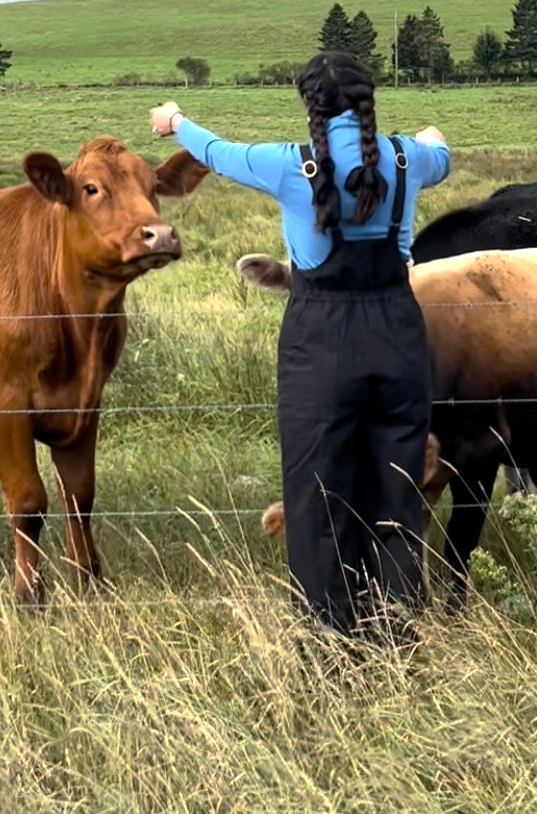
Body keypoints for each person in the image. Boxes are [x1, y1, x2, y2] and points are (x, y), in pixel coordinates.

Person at [150, 50, 450, 639]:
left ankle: (329, 645)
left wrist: (175, 121)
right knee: (397, 488)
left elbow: (218, 153)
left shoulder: (291, 165)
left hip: (321, 347)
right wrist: (431, 139)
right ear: (369, 101)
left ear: (309, 105)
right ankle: (396, 636)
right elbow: (441, 154)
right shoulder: (406, 158)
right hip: (398, 337)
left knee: (317, 498)